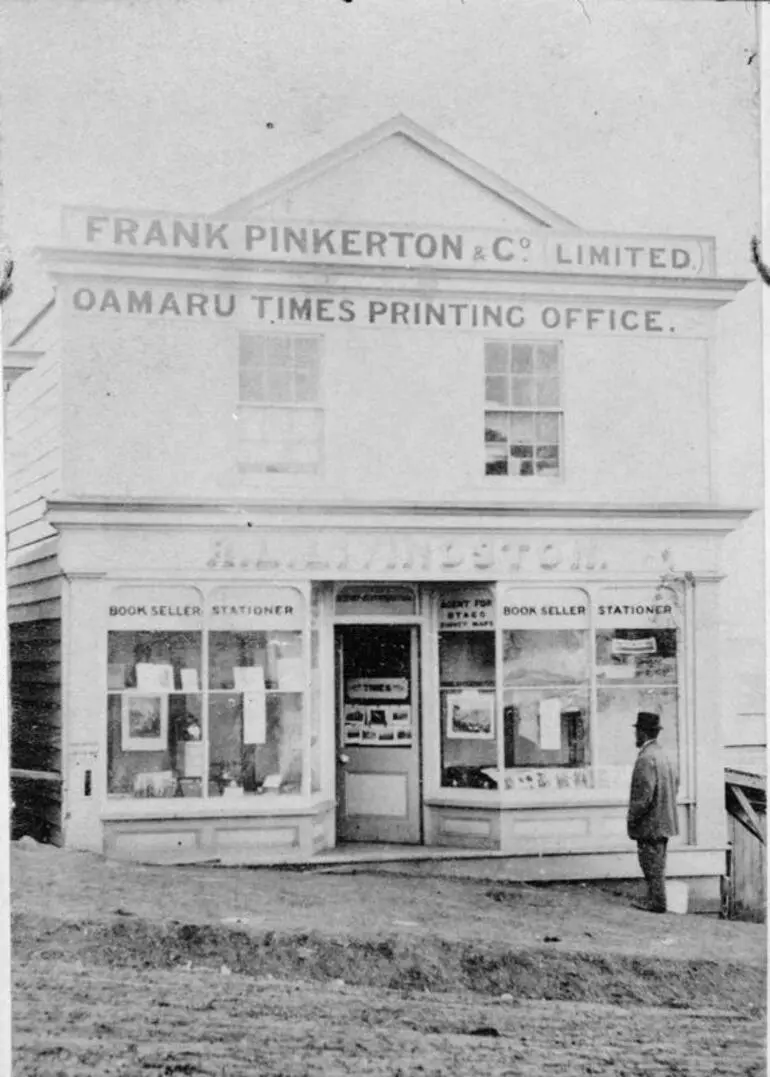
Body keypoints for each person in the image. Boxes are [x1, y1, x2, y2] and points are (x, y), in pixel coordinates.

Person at [627, 711, 679, 913]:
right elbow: (676, 784)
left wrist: (632, 817)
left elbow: (643, 796)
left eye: (637, 732)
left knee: (650, 863)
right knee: (658, 862)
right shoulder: (664, 755)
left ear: (642, 733)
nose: (635, 736)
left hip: (650, 822)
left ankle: (656, 902)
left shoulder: (645, 758)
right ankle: (655, 899)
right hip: (664, 820)